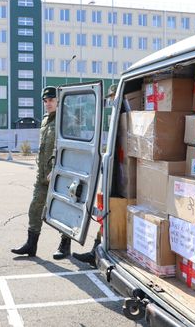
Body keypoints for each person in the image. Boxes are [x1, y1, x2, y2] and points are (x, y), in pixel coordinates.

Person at [11, 86, 71, 260]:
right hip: (42, 175)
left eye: (51, 100)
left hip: (58, 175)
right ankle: (31, 245)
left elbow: (65, 148)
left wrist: (56, 169)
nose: (48, 103)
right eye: (45, 101)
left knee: (63, 211)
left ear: (59, 101)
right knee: (35, 207)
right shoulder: (45, 120)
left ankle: (65, 244)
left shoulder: (66, 120)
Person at [72, 84, 118, 268]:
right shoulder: (115, 119)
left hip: (119, 178)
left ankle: (96, 252)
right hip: (111, 174)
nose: (111, 101)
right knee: (104, 215)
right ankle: (95, 252)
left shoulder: (124, 117)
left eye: (113, 97)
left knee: (107, 215)